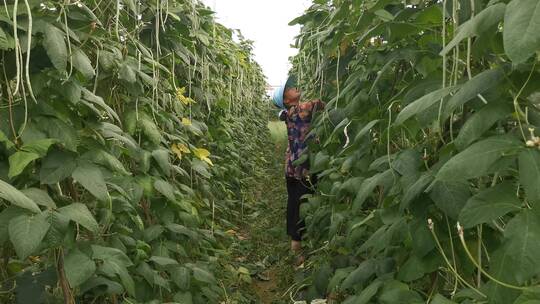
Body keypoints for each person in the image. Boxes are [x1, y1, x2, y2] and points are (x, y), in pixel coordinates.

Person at [272, 75, 325, 265]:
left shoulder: (289, 113)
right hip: (303, 167)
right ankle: (297, 245)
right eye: (290, 88)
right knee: (302, 203)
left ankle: (294, 239)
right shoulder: (298, 110)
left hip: (292, 166)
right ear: (287, 100)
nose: (294, 87)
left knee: (294, 202)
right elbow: (318, 104)